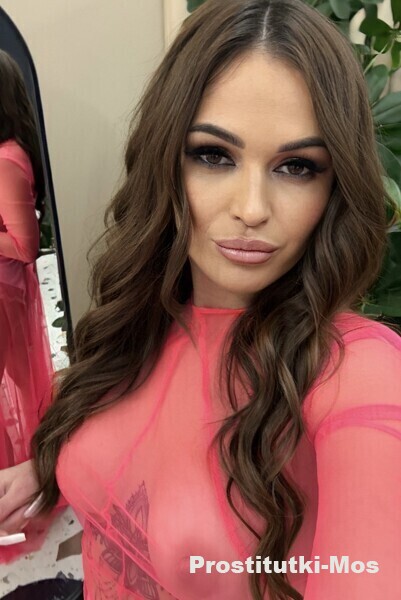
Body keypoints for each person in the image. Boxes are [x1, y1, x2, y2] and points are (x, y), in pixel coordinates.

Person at [1, 0, 401, 597]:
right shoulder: (141, 321)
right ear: (166, 160)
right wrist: (49, 467)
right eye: (214, 155)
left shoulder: (358, 373)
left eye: (297, 166)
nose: (252, 208)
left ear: (336, 185)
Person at [0, 49, 64, 562]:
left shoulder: (6, 160)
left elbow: (23, 246)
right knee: (18, 390)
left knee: (16, 393)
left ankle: (16, 497)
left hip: (5, 292)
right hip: (7, 290)